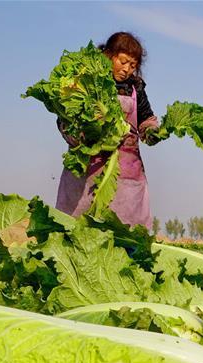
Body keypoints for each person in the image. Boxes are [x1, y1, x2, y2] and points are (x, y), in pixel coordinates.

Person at [56, 32, 160, 229]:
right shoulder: (87, 81)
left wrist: (151, 131)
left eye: (133, 65)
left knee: (125, 229)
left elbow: (146, 117)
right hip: (88, 167)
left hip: (125, 170)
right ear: (108, 55)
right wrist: (78, 136)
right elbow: (65, 117)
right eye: (123, 61)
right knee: (77, 225)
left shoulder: (135, 88)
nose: (127, 69)